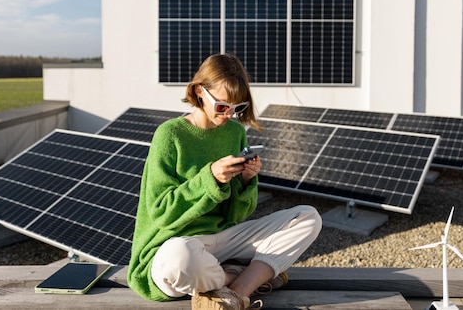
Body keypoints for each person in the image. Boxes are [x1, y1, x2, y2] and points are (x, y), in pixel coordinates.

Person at [127, 53, 322, 310]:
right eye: (222, 106)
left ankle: (237, 292)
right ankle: (237, 275)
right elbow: (161, 212)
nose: (229, 115)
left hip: (222, 240)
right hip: (174, 243)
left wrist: (245, 180)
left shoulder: (235, 132)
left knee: (308, 217)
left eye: (237, 108)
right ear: (199, 92)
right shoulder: (170, 135)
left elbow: (236, 216)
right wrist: (210, 178)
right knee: (180, 259)